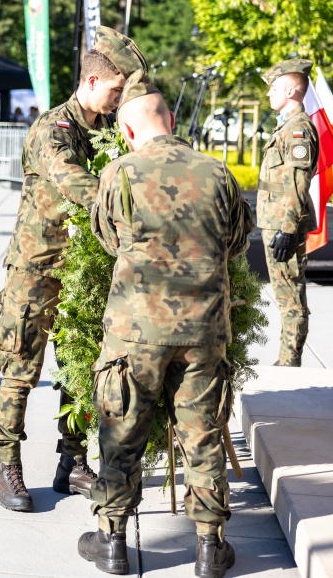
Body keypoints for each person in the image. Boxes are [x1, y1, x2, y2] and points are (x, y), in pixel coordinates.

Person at [78, 72, 253, 578]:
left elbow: (110, 241)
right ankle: (210, 547)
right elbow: (237, 243)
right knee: (203, 436)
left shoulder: (118, 173)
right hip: (204, 332)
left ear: (127, 130)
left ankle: (112, 541)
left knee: (122, 431)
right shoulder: (217, 172)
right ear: (171, 120)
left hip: (135, 332)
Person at [0, 26, 148, 512]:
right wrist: (129, 204)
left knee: (80, 368)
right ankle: (6, 464)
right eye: (117, 89)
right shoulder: (53, 128)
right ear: (93, 81)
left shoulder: (107, 130)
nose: (120, 99)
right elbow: (71, 180)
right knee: (21, 368)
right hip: (37, 270)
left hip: (83, 270)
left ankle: (72, 462)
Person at [257, 59, 319, 367]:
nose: (269, 93)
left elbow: (297, 184)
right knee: (285, 295)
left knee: (290, 297)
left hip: (284, 224)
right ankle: (286, 359)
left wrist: (288, 229)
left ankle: (289, 362)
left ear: (292, 91)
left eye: (274, 88)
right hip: (276, 222)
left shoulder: (297, 130)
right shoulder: (287, 126)